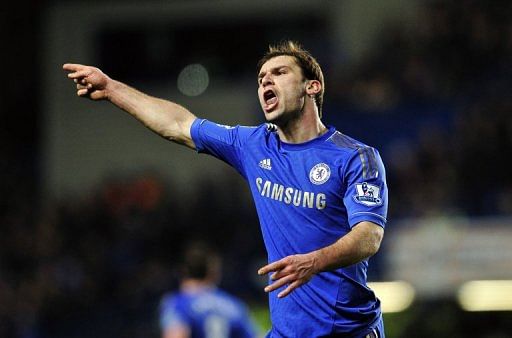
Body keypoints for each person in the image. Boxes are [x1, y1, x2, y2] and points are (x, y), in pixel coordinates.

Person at [63, 40, 388, 337]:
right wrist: (111, 88)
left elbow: (369, 236)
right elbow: (177, 124)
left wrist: (313, 261)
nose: (265, 82)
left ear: (312, 86)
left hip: (349, 330)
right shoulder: (255, 145)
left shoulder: (354, 157)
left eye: (279, 72)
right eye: (261, 78)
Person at [159, 242, 258, 338]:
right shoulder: (234, 305)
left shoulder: (178, 303)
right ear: (213, 272)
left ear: (182, 271)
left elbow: (176, 334)